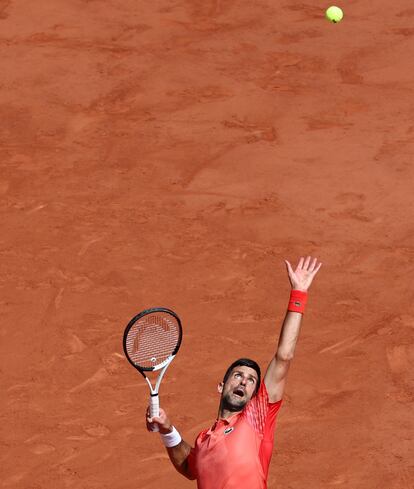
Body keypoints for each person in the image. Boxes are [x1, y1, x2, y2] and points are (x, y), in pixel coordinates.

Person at [146, 256, 322, 489]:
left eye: (251, 381)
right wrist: (167, 430)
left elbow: (284, 357)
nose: (244, 382)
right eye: (238, 375)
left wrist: (298, 294)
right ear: (221, 385)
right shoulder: (204, 440)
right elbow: (190, 467)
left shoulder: (256, 416)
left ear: (254, 395)